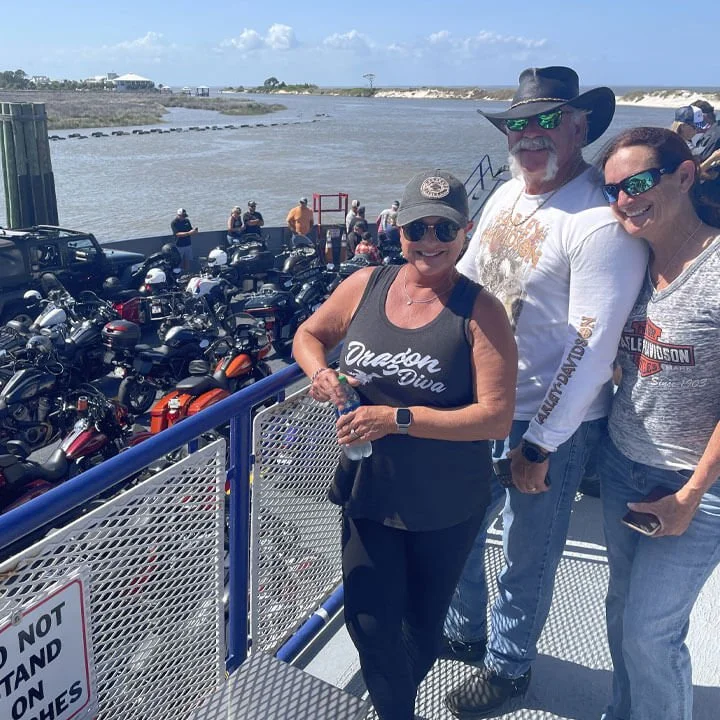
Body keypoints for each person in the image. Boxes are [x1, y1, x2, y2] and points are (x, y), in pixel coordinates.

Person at [442, 66, 649, 718]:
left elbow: (590, 353)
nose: (528, 137)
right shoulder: (507, 196)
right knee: (462, 529)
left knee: (527, 554)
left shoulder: (597, 224)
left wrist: (539, 443)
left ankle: (508, 668)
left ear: (580, 127)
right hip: (478, 404)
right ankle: (464, 630)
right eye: (517, 126)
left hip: (550, 422)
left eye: (545, 123)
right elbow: (469, 289)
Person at [292, 169, 517, 720]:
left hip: (443, 503)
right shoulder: (366, 284)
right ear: (400, 232)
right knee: (369, 622)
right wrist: (321, 373)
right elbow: (308, 335)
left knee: (420, 625)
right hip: (369, 491)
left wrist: (396, 418)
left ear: (465, 234)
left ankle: (399, 704)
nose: (431, 242)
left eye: (446, 229)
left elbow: (495, 418)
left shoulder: (480, 310)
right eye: (419, 228)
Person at [597, 127, 720, 720]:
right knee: (622, 611)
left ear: (685, 176)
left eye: (639, 182)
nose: (625, 200)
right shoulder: (628, 263)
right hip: (623, 462)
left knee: (651, 632)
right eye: (613, 190)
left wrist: (692, 494)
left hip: (695, 484)